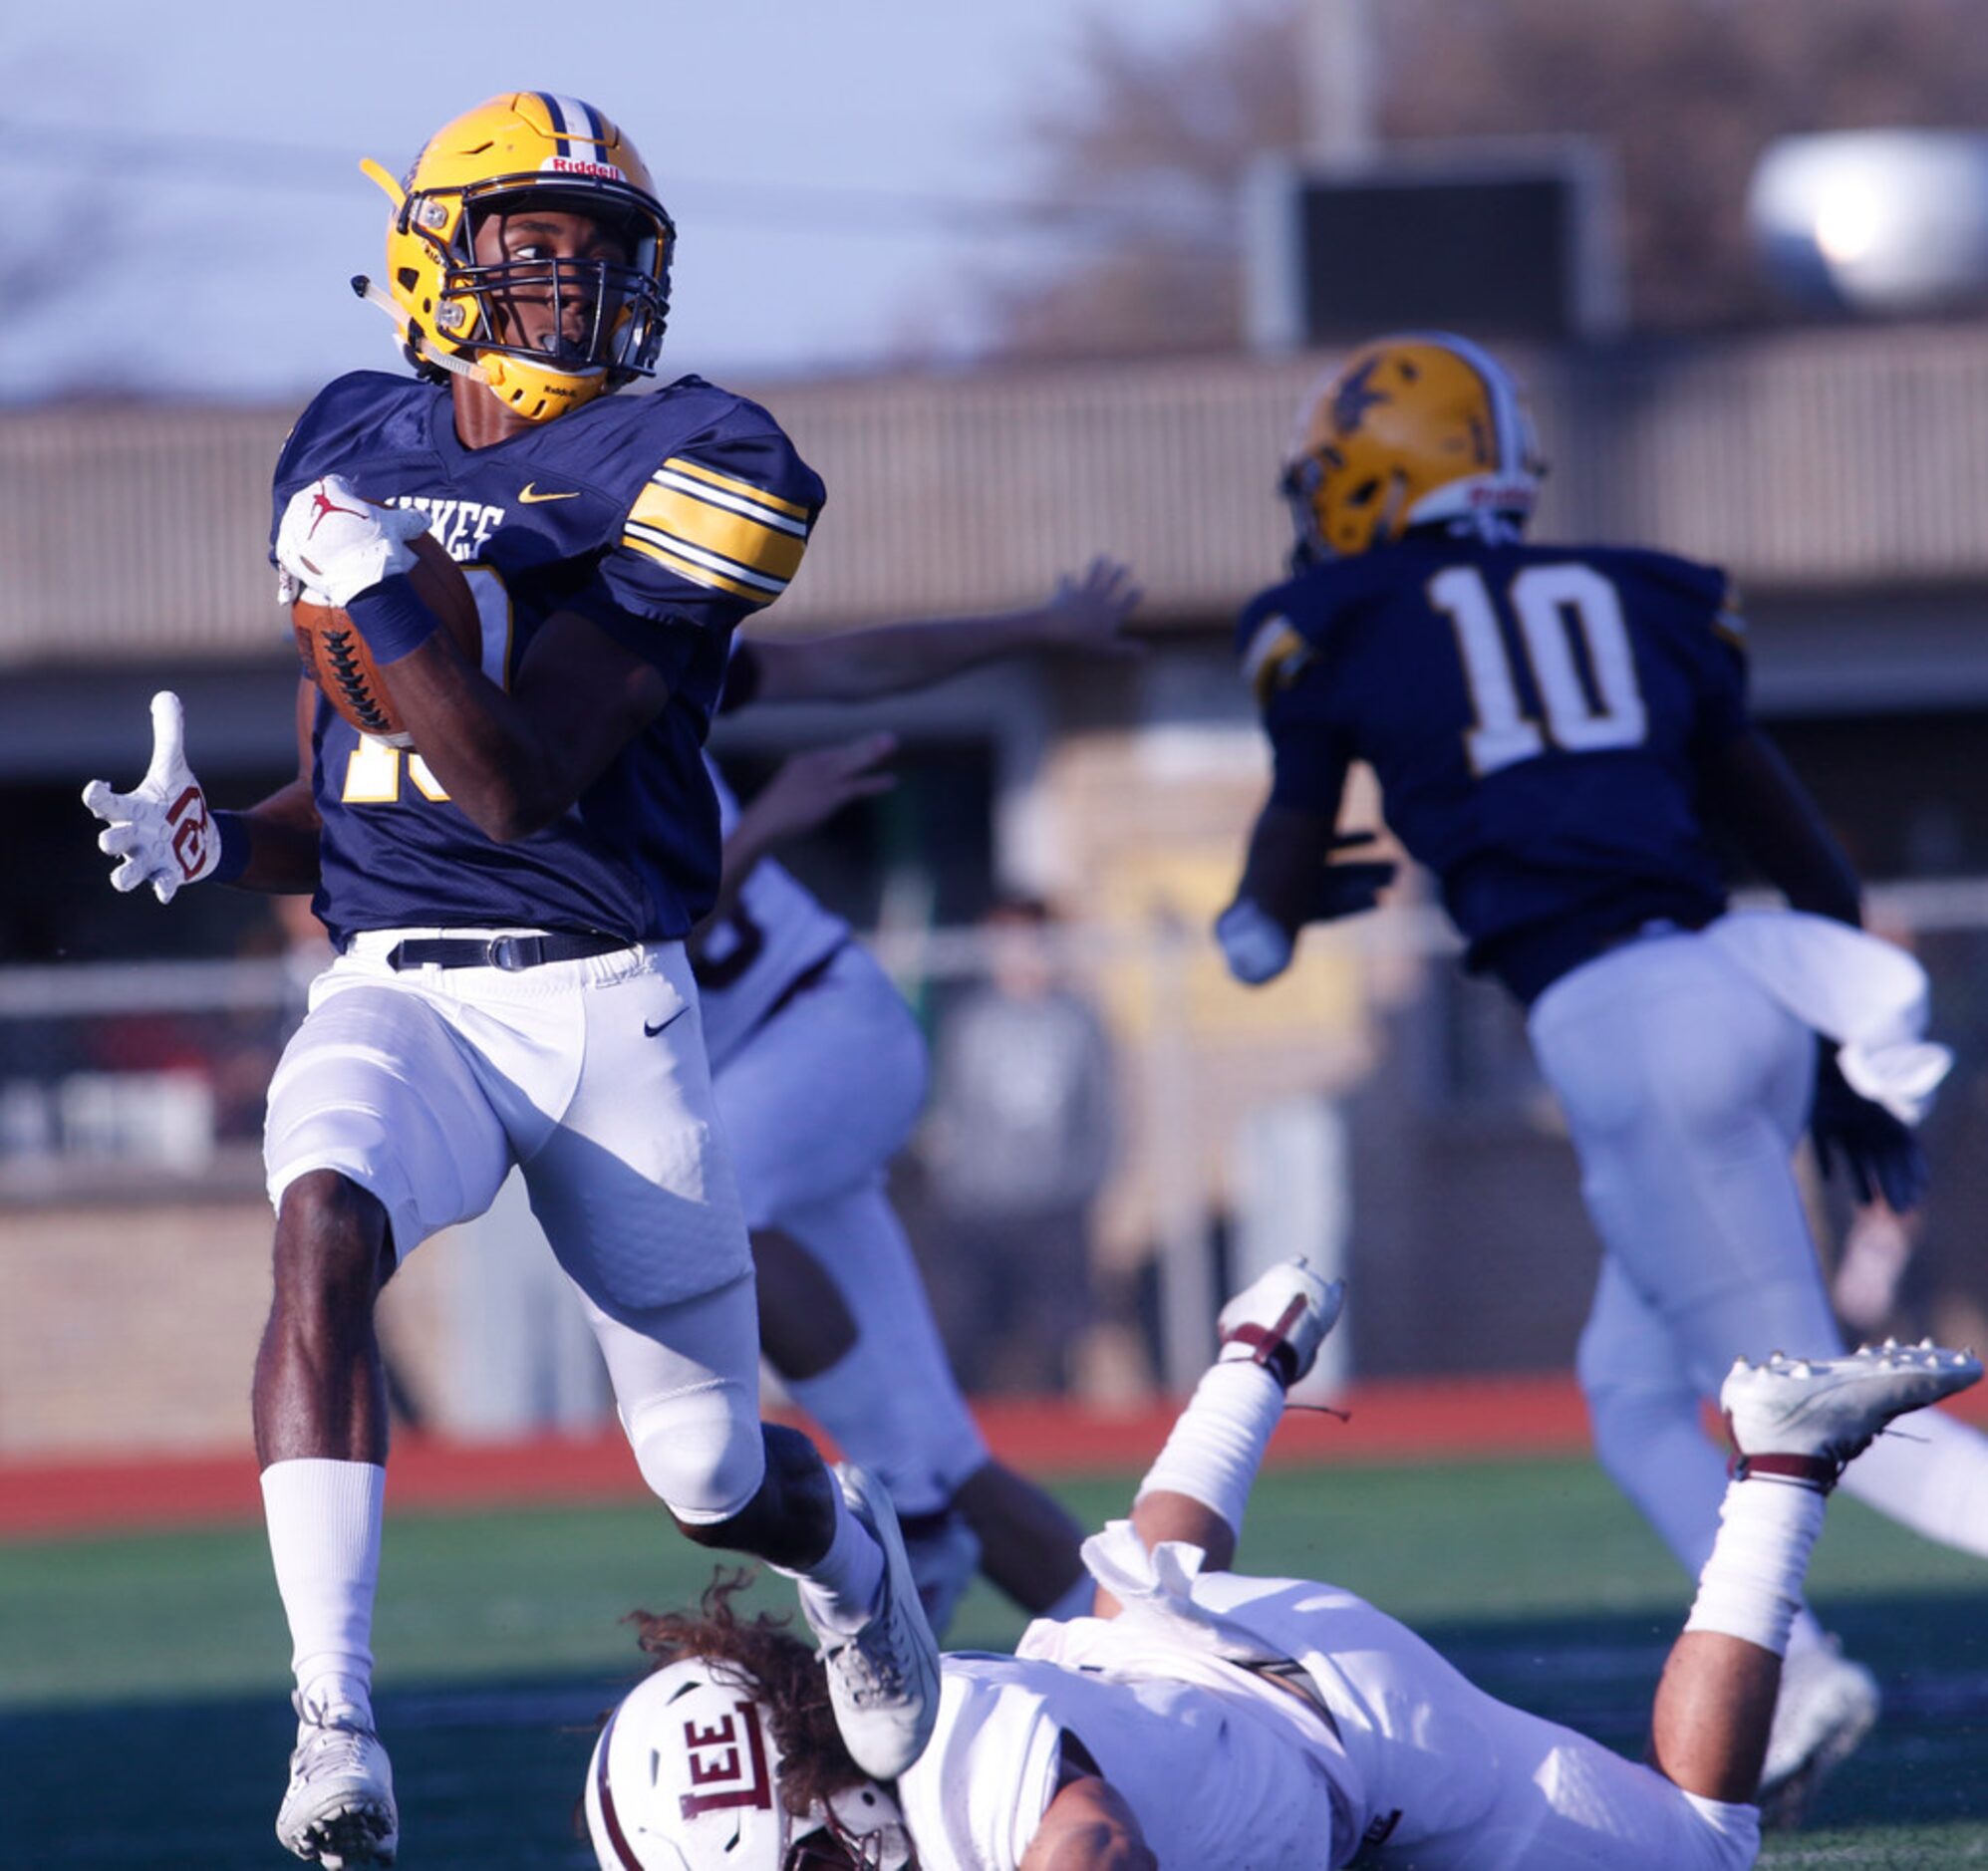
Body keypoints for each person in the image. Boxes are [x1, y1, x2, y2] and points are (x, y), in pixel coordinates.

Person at [80, 93, 938, 1868]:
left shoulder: (699, 455)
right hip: (403, 990)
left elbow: (514, 782)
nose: (574, 289)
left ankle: (848, 1553)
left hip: (605, 1001)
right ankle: (334, 1715)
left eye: (603, 256)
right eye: (534, 251)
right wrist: (218, 846)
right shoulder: (346, 436)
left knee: (707, 1469)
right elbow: (365, 782)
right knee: (318, 1210)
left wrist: (381, 593)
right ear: (435, 262)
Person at [1215, 330, 1988, 1813]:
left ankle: (1799, 1671)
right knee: (1630, 1389)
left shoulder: (1332, 615)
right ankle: (1797, 1666)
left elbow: (1266, 908)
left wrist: (1266, 914)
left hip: (1620, 1020)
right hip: (1735, 986)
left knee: (1834, 1420)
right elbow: (1791, 839)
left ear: (1382, 476)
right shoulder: (1646, 592)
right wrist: (1824, 1051)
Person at [583, 1258, 1982, 1869]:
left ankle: (1779, 1461)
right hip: (1161, 1652)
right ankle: (1254, 1355)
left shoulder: (945, 1776)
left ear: (825, 1819)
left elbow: (1092, 1844)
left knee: (1698, 1847)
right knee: (1136, 1585)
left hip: (1346, 1721)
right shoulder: (882, 1729)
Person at [695, 566, 1139, 1633]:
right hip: (772, 1073)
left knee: (702, 1212)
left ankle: (915, 1514)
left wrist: (1035, 619)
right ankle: (1144, 1653)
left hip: (818, 1028)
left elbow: (851, 662)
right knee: (943, 1454)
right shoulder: (504, 754)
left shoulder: (619, 679)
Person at [922, 897, 1120, 1394]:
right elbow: (949, 1110)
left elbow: (1102, 1113)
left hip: (1055, 1210)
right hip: (979, 1209)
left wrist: (1083, 1186)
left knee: (1056, 1341)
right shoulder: (969, 1021)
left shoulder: (1077, 1020)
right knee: (966, 1335)